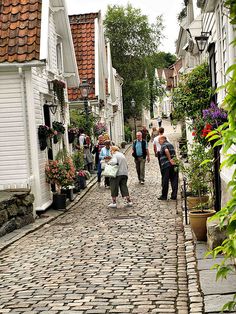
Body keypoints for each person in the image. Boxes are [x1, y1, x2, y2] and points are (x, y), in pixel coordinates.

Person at [158, 135, 178, 200]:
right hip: (174, 165)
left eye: (159, 141)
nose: (159, 142)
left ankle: (164, 196)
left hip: (166, 165)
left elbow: (166, 150)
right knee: (174, 180)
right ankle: (174, 195)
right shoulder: (171, 145)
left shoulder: (164, 145)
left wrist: (169, 159)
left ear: (162, 139)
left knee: (165, 180)